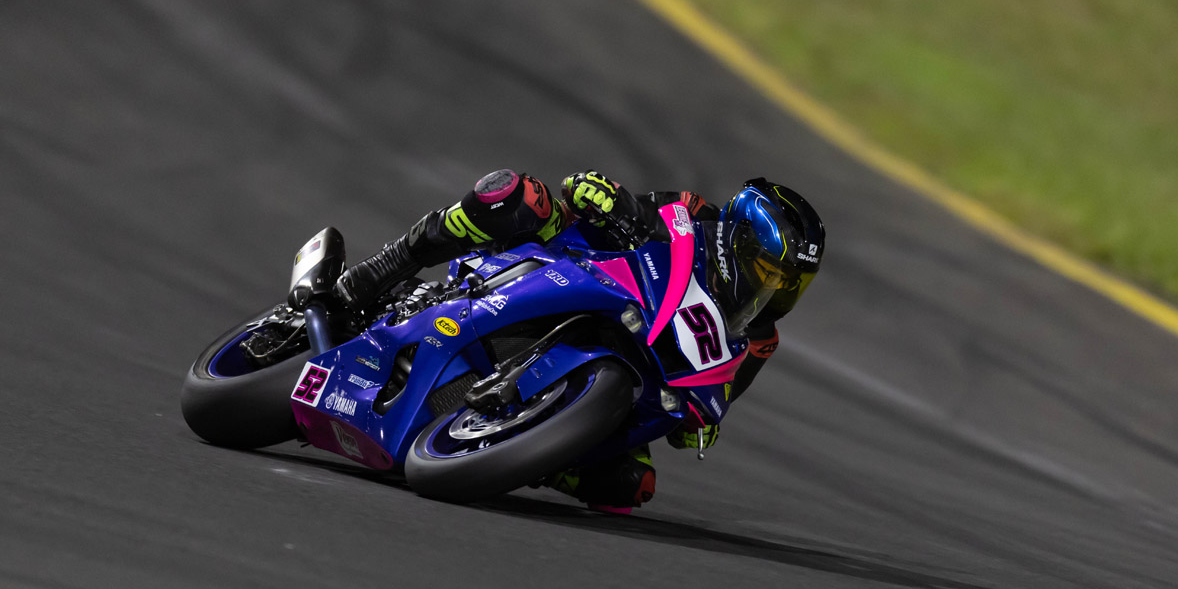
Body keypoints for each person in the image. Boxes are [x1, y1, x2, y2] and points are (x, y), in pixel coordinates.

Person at [334, 169, 825, 511]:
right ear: (740, 244)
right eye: (771, 273)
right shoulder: (694, 214)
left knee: (629, 486)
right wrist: (607, 197)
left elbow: (720, 394)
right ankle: (382, 268)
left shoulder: (759, 339)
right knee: (518, 195)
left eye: (791, 285)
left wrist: (704, 422)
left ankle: (526, 451)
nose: (777, 291)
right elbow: (608, 199)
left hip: (634, 352)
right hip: (579, 264)